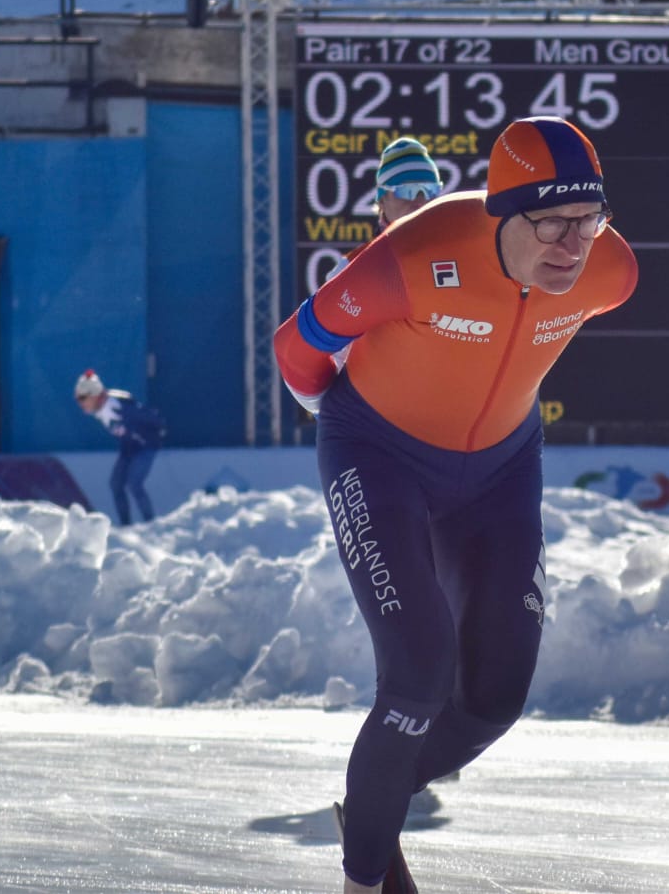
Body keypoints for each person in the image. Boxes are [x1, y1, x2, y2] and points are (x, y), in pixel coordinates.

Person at [272, 117, 638, 894]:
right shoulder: (412, 255)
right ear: (502, 213)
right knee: (418, 669)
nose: (575, 245)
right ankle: (365, 878)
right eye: (552, 223)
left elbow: (567, 276)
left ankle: (374, 796)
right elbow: (295, 348)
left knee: (496, 693)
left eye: (590, 219)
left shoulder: (613, 271)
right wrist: (333, 416)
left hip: (500, 471)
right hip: (379, 456)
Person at [73, 369, 166, 526]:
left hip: (146, 445)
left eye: (83, 398)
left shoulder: (116, 404)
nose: (80, 403)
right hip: (129, 447)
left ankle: (151, 523)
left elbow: (147, 415)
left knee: (134, 483)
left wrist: (157, 430)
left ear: (94, 395)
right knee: (116, 483)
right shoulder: (100, 410)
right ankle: (126, 525)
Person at [370, 136, 443, 234]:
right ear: (382, 201)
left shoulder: (460, 247)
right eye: (407, 191)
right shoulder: (373, 250)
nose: (420, 201)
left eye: (430, 190)